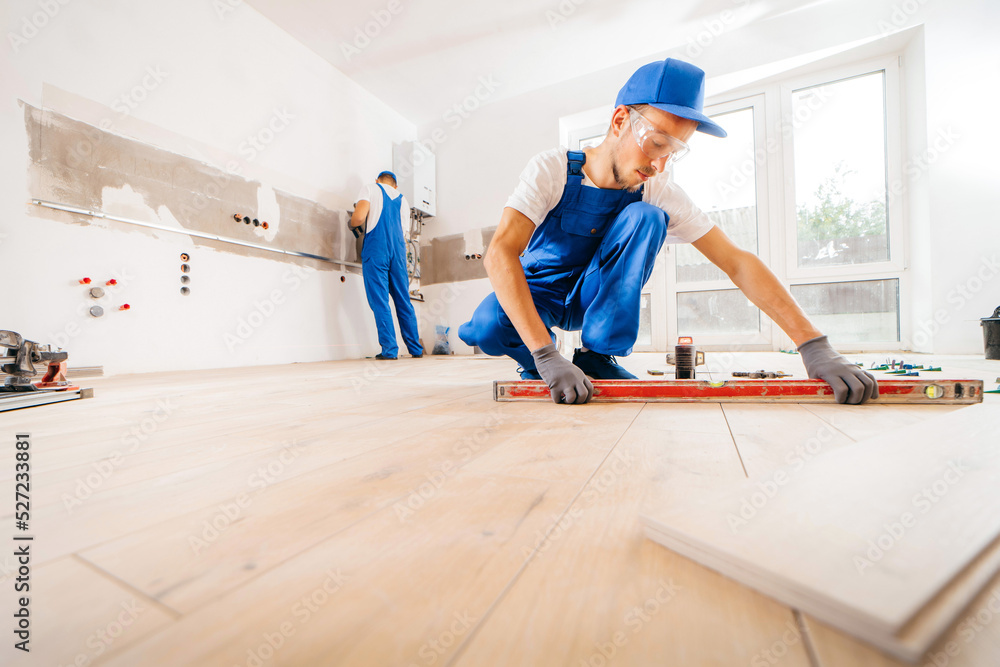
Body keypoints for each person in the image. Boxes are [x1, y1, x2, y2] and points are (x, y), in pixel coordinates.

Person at [458, 58, 877, 405]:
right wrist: (547, 355)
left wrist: (814, 345)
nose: (660, 164)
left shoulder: (658, 190)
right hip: (539, 292)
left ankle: (597, 357)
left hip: (592, 296)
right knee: (488, 326)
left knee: (645, 217)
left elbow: (737, 262)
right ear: (620, 120)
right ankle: (539, 361)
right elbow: (500, 253)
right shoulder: (550, 169)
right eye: (657, 143)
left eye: (674, 152)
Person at [349, 170, 423, 360]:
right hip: (399, 252)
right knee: (403, 301)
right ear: (395, 185)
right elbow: (404, 232)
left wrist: (351, 224)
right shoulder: (403, 200)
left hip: (377, 248)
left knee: (380, 300)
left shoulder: (370, 188)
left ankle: (390, 350)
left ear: (377, 181)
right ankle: (416, 349)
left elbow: (358, 218)